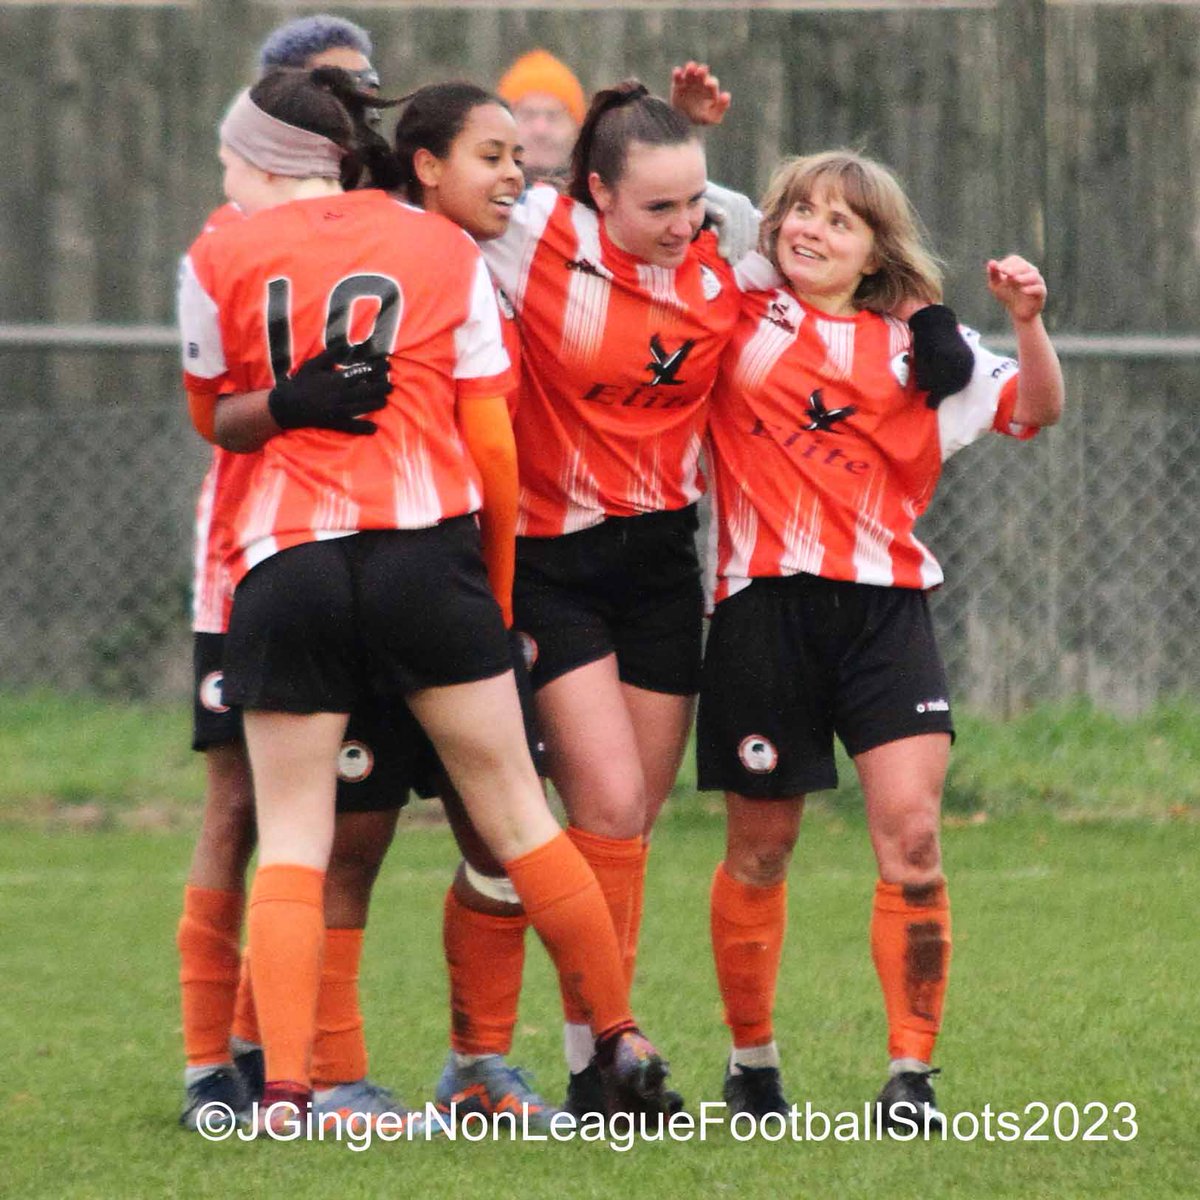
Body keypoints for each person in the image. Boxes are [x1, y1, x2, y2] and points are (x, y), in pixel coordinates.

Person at [178, 64, 676, 1130]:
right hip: (426, 557)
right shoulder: (446, 251)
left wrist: (282, 405)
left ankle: (285, 1092)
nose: (226, 178)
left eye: (231, 160)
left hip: (287, 559)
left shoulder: (215, 252)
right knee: (521, 822)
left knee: (300, 838)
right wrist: (491, 600)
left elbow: (215, 415)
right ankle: (621, 1032)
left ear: (273, 162)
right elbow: (491, 442)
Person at [697, 149, 1064, 1126]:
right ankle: (752, 1064)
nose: (811, 228)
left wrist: (1027, 324)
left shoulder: (919, 353)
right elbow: (694, 211)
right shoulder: (739, 315)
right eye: (799, 212)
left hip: (884, 617)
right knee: (761, 850)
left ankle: (910, 1078)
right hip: (761, 610)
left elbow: (1035, 409)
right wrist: (689, 132)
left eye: (839, 220)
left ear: (874, 255)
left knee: (910, 835)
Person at [476, 78, 745, 1114]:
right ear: (595, 193)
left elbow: (825, 233)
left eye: (695, 204)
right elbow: (445, 197)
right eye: (658, 209)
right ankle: (607, 1045)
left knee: (631, 829)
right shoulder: (537, 231)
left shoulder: (724, 253)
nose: (683, 227)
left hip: (661, 560)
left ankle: (599, 1060)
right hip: (554, 561)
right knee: (609, 802)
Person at [177, 13, 412, 1133]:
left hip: (378, 555)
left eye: (363, 90)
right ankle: (208, 1060)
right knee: (239, 804)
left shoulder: (401, 227)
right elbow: (215, 413)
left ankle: (308, 1055)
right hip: (252, 556)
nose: (357, 111)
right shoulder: (233, 234)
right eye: (333, 94)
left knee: (350, 817)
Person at [388, 80, 558, 1128]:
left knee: (499, 831)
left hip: (465, 579)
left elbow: (689, 213)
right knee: (346, 839)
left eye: (519, 156)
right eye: (491, 155)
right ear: (424, 164)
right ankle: (305, 1072)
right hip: (384, 575)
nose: (513, 174)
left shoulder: (497, 253)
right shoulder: (398, 253)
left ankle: (479, 1068)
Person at [496, 49, 585, 186]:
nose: (540, 130)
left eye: (553, 116)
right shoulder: (473, 201)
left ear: (576, 129)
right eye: (528, 115)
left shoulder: (601, 200)